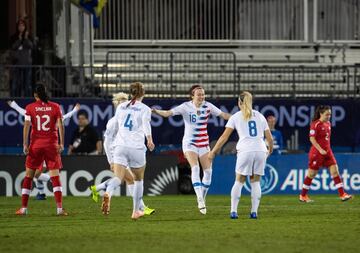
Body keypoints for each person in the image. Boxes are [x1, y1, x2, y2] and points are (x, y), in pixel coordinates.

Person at [152, 85, 231, 215]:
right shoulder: (185, 107)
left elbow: (223, 115)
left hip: (204, 144)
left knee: (208, 172)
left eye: (203, 94)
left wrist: (239, 117)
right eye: (199, 94)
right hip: (190, 144)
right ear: (192, 96)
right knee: (195, 168)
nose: (201, 97)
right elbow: (168, 113)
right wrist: (155, 111)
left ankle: (202, 198)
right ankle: (199, 199)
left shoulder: (208, 106)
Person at [208, 91, 273, 219]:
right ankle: (254, 212)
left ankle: (233, 211)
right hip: (260, 150)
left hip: (245, 150)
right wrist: (269, 149)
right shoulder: (260, 116)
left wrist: (213, 151)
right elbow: (269, 138)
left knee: (239, 181)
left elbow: (224, 137)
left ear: (239, 102)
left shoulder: (236, 116)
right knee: (255, 182)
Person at [89, 92, 155, 215]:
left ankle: (97, 189)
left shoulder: (130, 116)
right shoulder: (113, 121)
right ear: (117, 104)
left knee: (128, 179)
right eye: (121, 101)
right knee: (128, 179)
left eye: (126, 100)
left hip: (126, 151)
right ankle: (140, 207)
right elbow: (106, 142)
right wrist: (111, 160)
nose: (125, 103)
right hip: (118, 154)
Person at [7, 100, 80, 200]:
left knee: (36, 174)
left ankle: (49, 183)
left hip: (44, 148)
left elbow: (22, 111)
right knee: (36, 174)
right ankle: (42, 192)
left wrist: (13, 105)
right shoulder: (52, 112)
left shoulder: (35, 112)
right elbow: (66, 117)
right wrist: (74, 110)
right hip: (45, 147)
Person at [16, 83, 67, 216]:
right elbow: (61, 125)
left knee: (29, 176)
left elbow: (26, 126)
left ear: (35, 95)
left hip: (36, 145)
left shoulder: (30, 108)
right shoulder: (55, 107)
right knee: (55, 176)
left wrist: (25, 144)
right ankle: (60, 209)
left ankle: (23, 209)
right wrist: (62, 143)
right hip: (52, 145)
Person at [299, 105, 353, 203]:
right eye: (327, 114)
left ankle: (342, 194)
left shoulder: (328, 124)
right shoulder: (315, 124)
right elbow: (312, 138)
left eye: (330, 115)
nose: (329, 116)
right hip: (317, 153)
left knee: (335, 171)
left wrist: (326, 150)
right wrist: (319, 149)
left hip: (328, 152)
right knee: (311, 174)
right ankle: (303, 195)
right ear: (321, 114)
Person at [10, 18, 33, 97]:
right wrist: (19, 40)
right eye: (19, 26)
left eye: (22, 25)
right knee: (16, 83)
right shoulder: (14, 37)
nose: (21, 27)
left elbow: (31, 46)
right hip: (17, 64)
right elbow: (13, 47)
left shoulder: (28, 36)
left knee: (27, 84)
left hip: (27, 64)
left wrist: (26, 38)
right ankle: (15, 99)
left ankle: (27, 100)